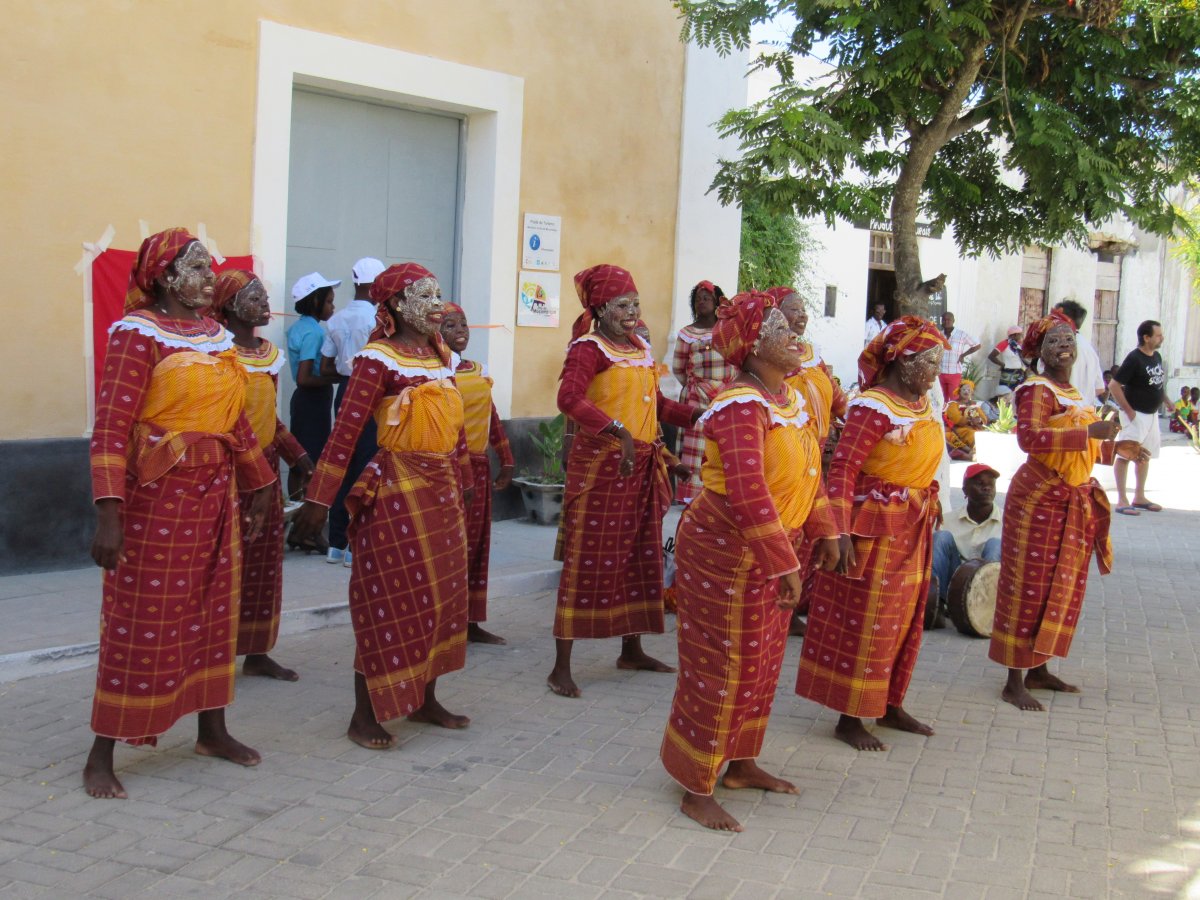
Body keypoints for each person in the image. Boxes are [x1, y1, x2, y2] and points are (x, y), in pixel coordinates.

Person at [85, 229, 277, 798]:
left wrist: (260, 483)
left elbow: (235, 419)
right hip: (156, 498)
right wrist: (109, 512)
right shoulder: (137, 334)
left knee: (215, 611)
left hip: (215, 494)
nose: (209, 277)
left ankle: (212, 731)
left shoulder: (217, 336)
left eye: (209, 267)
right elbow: (111, 427)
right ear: (165, 276)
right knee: (144, 618)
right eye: (196, 267)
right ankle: (102, 751)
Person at [660, 292, 840, 832]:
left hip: (768, 548)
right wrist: (785, 562)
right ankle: (696, 785)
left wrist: (825, 528)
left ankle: (740, 764)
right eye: (781, 329)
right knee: (720, 662)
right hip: (723, 550)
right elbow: (746, 489)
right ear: (753, 346)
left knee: (761, 661)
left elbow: (810, 470)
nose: (794, 335)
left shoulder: (789, 398)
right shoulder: (740, 404)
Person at [290, 263, 474, 748]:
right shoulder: (377, 359)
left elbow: (455, 427)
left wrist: (466, 479)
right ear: (394, 306)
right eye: (424, 295)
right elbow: (346, 433)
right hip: (397, 490)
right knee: (389, 598)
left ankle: (425, 699)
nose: (436, 303)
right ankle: (364, 715)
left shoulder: (439, 355)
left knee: (440, 597)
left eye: (438, 293)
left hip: (442, 493)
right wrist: (317, 502)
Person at [795, 317, 949, 751]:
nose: (937, 370)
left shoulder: (923, 403)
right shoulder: (873, 406)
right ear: (903, 361)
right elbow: (843, 467)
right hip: (875, 530)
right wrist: (838, 531)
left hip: (913, 525)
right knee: (871, 620)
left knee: (907, 617)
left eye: (940, 360)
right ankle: (850, 716)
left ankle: (890, 702)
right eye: (930, 361)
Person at [548, 264, 701, 698]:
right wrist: (616, 431)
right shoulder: (588, 348)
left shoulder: (637, 347)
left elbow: (657, 405)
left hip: (641, 470)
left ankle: (630, 649)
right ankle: (561, 667)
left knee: (639, 556)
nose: (632, 312)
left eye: (635, 303)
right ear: (600, 308)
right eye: (622, 305)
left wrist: (697, 416)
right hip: (602, 469)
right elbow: (568, 398)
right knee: (588, 560)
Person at [989, 311, 1146, 710]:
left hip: (1071, 497)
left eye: (1068, 340)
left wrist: (1114, 449)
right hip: (1039, 498)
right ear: (1039, 351)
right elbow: (1029, 438)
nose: (1063, 348)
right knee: (1028, 584)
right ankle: (1014, 679)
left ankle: (1040, 667)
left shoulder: (1074, 394)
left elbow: (1083, 447)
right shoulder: (1035, 390)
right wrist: (1087, 432)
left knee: (1062, 585)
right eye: (1054, 342)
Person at [211, 270, 315, 682]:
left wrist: (300, 457)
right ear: (229, 305)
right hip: (228, 471)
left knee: (264, 564)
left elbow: (268, 417)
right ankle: (215, 654)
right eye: (252, 297)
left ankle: (256, 651)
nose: (262, 303)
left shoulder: (268, 354)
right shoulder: (217, 352)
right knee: (225, 564)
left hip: (268, 471)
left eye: (263, 295)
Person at [440, 302, 515, 645]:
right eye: (450, 325)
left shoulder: (476, 369)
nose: (460, 331)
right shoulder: (433, 371)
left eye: (464, 324)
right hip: (449, 470)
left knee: (477, 546)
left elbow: (491, 415)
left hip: (480, 468)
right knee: (451, 547)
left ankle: (470, 621)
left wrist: (506, 458)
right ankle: (446, 623)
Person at [319, 257, 386, 567]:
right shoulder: (380, 320)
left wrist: (347, 375)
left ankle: (336, 542)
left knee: (342, 461)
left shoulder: (336, 320)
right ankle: (357, 544)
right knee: (368, 464)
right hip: (372, 394)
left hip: (344, 392)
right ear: (375, 285)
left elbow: (325, 366)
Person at [285, 272, 341, 532]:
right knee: (310, 463)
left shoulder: (300, 327)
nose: (333, 306)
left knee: (301, 460)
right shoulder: (314, 333)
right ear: (315, 302)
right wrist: (340, 376)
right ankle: (305, 527)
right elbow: (305, 378)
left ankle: (296, 518)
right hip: (312, 402)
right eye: (329, 301)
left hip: (306, 403)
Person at [670, 281, 731, 503]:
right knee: (696, 452)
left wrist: (719, 387)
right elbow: (678, 368)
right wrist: (700, 386)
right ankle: (692, 499)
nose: (701, 302)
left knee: (723, 448)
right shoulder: (687, 334)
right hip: (696, 399)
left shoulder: (727, 330)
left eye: (706, 297)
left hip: (725, 399)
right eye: (697, 298)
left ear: (717, 302)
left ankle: (719, 496)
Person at [770, 286, 848, 448]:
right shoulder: (768, 357)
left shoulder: (813, 356)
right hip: (785, 448)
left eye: (803, 309)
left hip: (817, 449)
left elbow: (838, 400)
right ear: (775, 314)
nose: (803, 314)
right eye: (794, 309)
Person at [1109, 320, 1168, 515]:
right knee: (1125, 453)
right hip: (1135, 414)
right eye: (1158, 335)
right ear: (1146, 337)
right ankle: (1122, 499)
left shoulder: (1156, 356)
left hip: (1152, 415)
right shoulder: (1134, 358)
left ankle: (1139, 496)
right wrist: (1128, 410)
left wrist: (1166, 400)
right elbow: (1114, 385)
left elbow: (1157, 383)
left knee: (1144, 455)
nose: (1162, 338)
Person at [930, 464, 1002, 621]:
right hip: (953, 584)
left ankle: (983, 612)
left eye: (991, 485)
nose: (987, 488)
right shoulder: (947, 520)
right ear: (964, 491)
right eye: (980, 484)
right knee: (941, 537)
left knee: (996, 545)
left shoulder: (1008, 522)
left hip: (985, 591)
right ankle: (935, 606)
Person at [1053, 300, 1105, 403]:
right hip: (1084, 413)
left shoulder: (1056, 346)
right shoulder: (1089, 349)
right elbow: (1099, 388)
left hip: (1062, 412)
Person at [937, 312, 980, 400]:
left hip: (954, 372)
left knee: (954, 399)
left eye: (949, 319)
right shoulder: (939, 335)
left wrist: (963, 355)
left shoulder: (961, 334)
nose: (946, 322)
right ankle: (943, 414)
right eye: (944, 320)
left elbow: (977, 345)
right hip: (940, 372)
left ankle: (953, 414)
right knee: (941, 400)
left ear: (953, 321)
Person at [944, 379, 988, 460]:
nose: (966, 391)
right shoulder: (953, 404)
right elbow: (956, 419)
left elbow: (984, 420)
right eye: (964, 389)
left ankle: (980, 452)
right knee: (972, 434)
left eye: (969, 390)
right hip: (959, 429)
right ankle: (974, 453)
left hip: (975, 428)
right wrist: (970, 421)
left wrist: (979, 421)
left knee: (985, 435)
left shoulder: (974, 405)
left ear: (971, 393)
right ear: (959, 391)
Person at [988, 325, 1027, 391]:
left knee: (1017, 395)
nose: (1021, 336)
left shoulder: (1019, 346)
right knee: (1005, 395)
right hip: (1008, 374)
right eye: (1020, 334)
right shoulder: (1004, 343)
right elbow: (991, 356)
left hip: (1019, 373)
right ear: (1014, 335)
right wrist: (1002, 364)